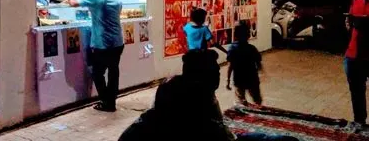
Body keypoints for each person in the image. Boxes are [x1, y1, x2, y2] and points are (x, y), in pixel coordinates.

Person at [118, 49, 298, 141]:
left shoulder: (171, 86)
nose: (219, 73)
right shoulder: (199, 98)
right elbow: (214, 131)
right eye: (215, 70)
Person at [64, 0, 124, 112]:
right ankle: (112, 101)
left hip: (102, 43)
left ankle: (106, 101)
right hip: (117, 42)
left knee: (98, 73)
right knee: (114, 72)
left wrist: (66, 0)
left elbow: (74, 4)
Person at [344, 0, 369, 129]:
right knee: (356, 91)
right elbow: (350, 24)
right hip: (354, 53)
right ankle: (359, 120)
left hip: (364, 53)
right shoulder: (356, 0)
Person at [226, 23, 263, 106]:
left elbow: (230, 66)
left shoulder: (232, 49)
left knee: (240, 99)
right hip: (252, 78)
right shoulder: (252, 49)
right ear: (248, 36)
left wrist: (227, 80)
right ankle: (259, 111)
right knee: (257, 99)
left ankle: (244, 114)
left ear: (235, 35)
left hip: (239, 79)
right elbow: (259, 63)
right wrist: (261, 73)